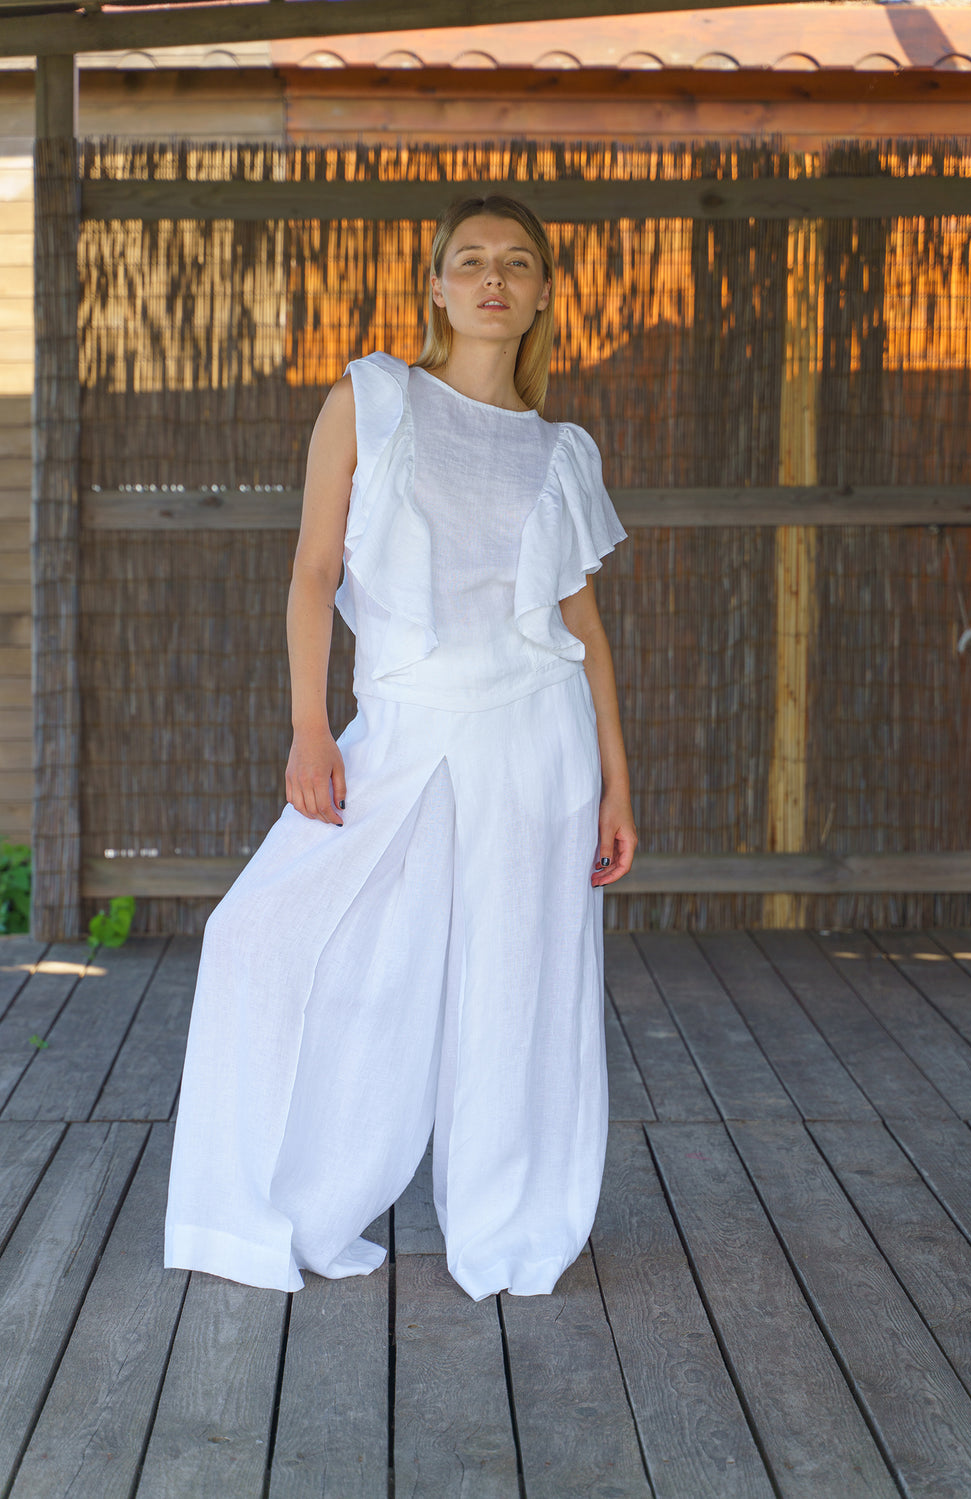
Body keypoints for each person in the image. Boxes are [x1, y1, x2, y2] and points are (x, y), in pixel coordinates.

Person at [164, 194, 638, 1302]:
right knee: (260, 933)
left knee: (516, 987)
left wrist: (618, 780)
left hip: (539, 745)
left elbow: (584, 632)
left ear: (538, 295)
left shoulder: (562, 452)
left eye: (516, 263)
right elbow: (315, 575)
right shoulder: (371, 398)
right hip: (406, 727)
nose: (492, 278)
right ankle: (279, 1201)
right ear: (434, 285)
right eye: (469, 260)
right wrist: (309, 726)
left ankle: (510, 1220)